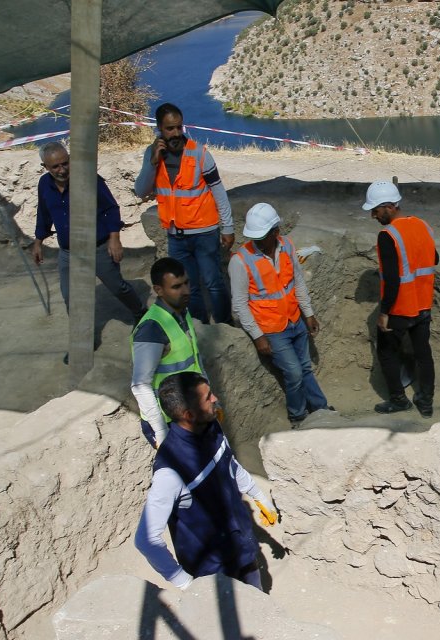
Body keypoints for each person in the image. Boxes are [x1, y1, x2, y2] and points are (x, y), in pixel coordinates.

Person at [134, 372, 276, 592]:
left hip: (242, 548)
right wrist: (185, 583)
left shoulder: (211, 427)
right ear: (189, 414)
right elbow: (146, 539)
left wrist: (258, 495)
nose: (215, 398)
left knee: (258, 605)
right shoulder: (171, 471)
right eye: (208, 397)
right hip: (213, 572)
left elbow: (229, 463)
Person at [133, 102, 235, 325]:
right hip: (176, 235)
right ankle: (198, 327)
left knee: (213, 282)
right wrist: (152, 163)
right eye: (170, 128)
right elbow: (141, 191)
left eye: (179, 127)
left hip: (204, 232)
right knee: (189, 287)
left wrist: (227, 227)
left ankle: (226, 325)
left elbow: (219, 192)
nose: (176, 133)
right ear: (159, 128)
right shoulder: (152, 155)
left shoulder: (199, 154)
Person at [230, 203, 330, 424]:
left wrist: (309, 313)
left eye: (262, 236)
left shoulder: (286, 246)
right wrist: (257, 336)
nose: (257, 241)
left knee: (305, 368)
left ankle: (321, 410)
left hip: (295, 319)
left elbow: (297, 282)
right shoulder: (240, 261)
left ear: (275, 232)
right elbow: (239, 304)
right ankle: (298, 417)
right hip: (271, 330)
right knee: (294, 373)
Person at [30, 142, 145, 318]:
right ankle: (82, 339)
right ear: (45, 167)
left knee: (117, 287)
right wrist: (38, 241)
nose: (62, 170)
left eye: (65, 163)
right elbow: (44, 213)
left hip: (97, 247)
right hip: (68, 253)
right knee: (70, 296)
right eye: (55, 166)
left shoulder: (89, 179)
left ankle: (140, 313)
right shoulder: (44, 184)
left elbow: (110, 208)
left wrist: (114, 239)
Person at [363, 180, 438, 417]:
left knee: (386, 352)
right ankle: (426, 403)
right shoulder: (422, 225)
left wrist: (384, 313)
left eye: (376, 210)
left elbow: (394, 280)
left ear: (389, 207)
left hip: (400, 308)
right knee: (423, 353)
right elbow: (433, 258)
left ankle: (398, 400)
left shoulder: (388, 235)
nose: (373, 215)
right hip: (423, 303)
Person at [131, 257, 204, 448]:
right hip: (169, 420)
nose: (186, 291)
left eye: (187, 283)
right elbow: (140, 386)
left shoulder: (182, 311)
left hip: (190, 409)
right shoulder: (151, 329)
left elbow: (195, 358)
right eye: (177, 286)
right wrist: (161, 431)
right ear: (159, 290)